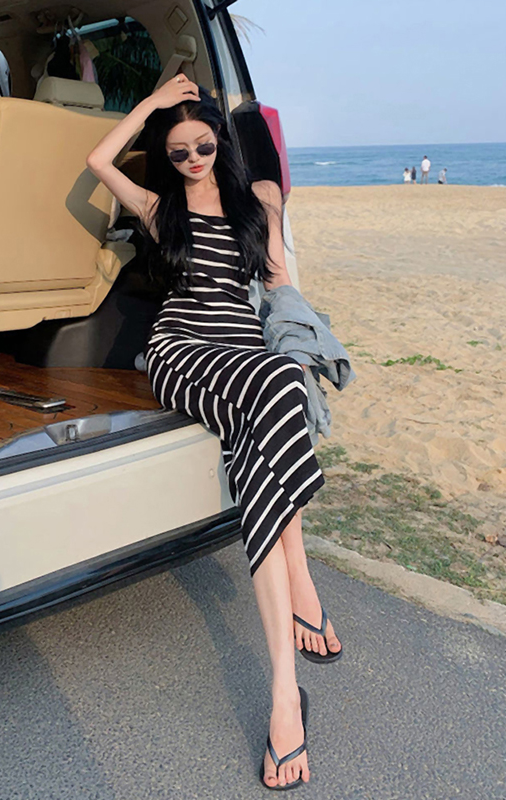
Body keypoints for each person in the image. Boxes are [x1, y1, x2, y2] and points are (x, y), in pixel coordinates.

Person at [87, 75, 342, 791]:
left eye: (202, 146)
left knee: (266, 432)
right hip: (182, 353)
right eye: (178, 152)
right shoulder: (160, 206)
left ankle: (284, 695)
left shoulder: (259, 199)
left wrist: (299, 345)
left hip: (245, 352)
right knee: (278, 389)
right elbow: (98, 161)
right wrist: (148, 106)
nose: (193, 159)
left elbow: (280, 285)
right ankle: (300, 586)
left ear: (219, 142)